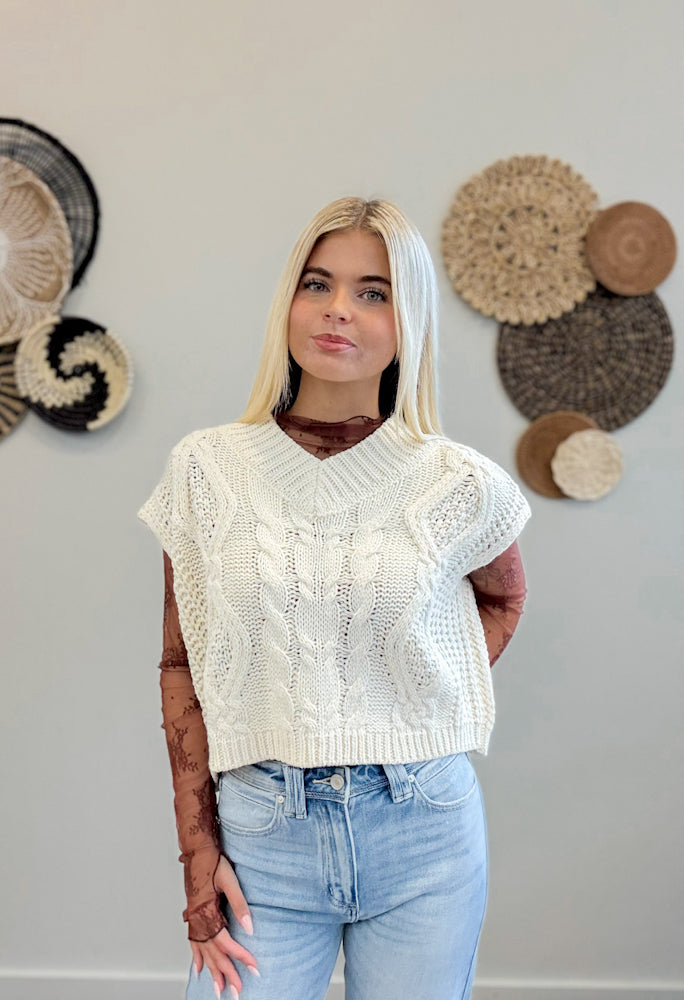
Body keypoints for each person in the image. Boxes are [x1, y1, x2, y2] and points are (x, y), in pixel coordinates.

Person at [139, 197, 531, 1000]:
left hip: (424, 828)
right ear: (289, 301)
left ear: (408, 320)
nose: (338, 309)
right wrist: (197, 855)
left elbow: (502, 602)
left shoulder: (457, 482)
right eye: (317, 284)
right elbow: (183, 665)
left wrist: (393, 692)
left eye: (373, 291)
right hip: (262, 832)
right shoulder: (207, 471)